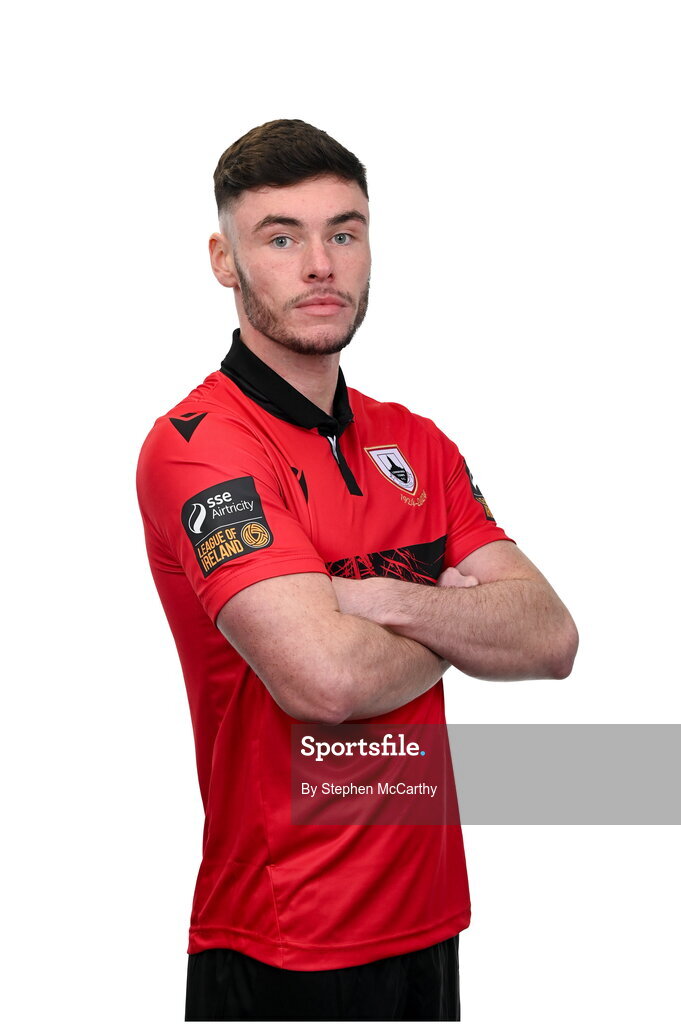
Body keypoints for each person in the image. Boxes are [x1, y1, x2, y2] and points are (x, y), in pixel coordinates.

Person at [136, 118, 578, 1022]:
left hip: (427, 918)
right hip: (282, 935)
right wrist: (455, 616)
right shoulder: (201, 449)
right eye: (281, 237)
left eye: (343, 232)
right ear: (223, 261)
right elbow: (323, 680)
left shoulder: (416, 441)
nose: (320, 265)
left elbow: (551, 635)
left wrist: (375, 596)